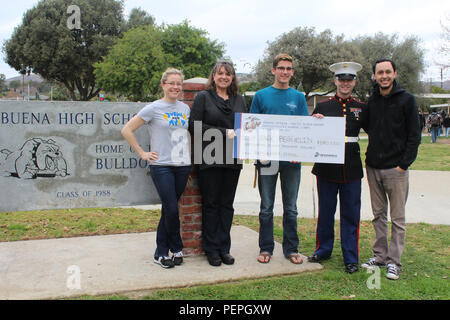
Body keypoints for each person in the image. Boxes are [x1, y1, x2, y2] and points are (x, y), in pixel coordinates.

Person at [121, 68, 191, 269]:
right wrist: (143, 153)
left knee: (169, 209)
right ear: (163, 85)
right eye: (171, 83)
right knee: (170, 208)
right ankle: (171, 249)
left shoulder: (185, 109)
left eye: (178, 83)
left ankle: (167, 251)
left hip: (182, 165)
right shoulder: (153, 108)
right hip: (161, 166)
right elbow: (126, 130)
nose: (175, 87)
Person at [360, 59, 421, 280]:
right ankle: (380, 256)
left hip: (397, 170)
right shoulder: (372, 101)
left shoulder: (407, 100)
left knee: (397, 218)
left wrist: (404, 164)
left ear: (395, 73)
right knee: (378, 216)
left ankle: (394, 261)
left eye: (388, 72)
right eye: (380, 73)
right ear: (374, 76)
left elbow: (414, 136)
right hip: (373, 166)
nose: (384, 76)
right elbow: (365, 125)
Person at [250, 53, 309, 265]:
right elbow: (252, 128)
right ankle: (266, 248)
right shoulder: (261, 96)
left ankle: (291, 248)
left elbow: (304, 129)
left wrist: (299, 152)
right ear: (273, 70)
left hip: (292, 162)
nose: (284, 72)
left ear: (292, 72)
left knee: (291, 207)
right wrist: (259, 153)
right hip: (267, 161)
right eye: (281, 68)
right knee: (267, 206)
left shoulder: (299, 97)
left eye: (288, 68)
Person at [307, 62, 365, 274]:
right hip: (326, 167)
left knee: (351, 214)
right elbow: (312, 135)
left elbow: (375, 130)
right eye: (341, 79)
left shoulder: (361, 107)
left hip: (351, 168)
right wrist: (314, 122)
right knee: (325, 212)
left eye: (349, 80)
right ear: (335, 81)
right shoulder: (323, 106)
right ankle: (323, 250)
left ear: (354, 82)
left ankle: (351, 257)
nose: (345, 83)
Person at [188, 60, 246, 267]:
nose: (223, 77)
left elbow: (246, 128)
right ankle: (211, 249)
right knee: (211, 204)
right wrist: (224, 133)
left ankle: (224, 248)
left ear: (232, 77)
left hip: (233, 159)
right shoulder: (203, 97)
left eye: (227, 74)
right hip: (209, 158)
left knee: (226, 205)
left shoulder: (239, 100)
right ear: (213, 76)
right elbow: (194, 126)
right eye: (220, 73)